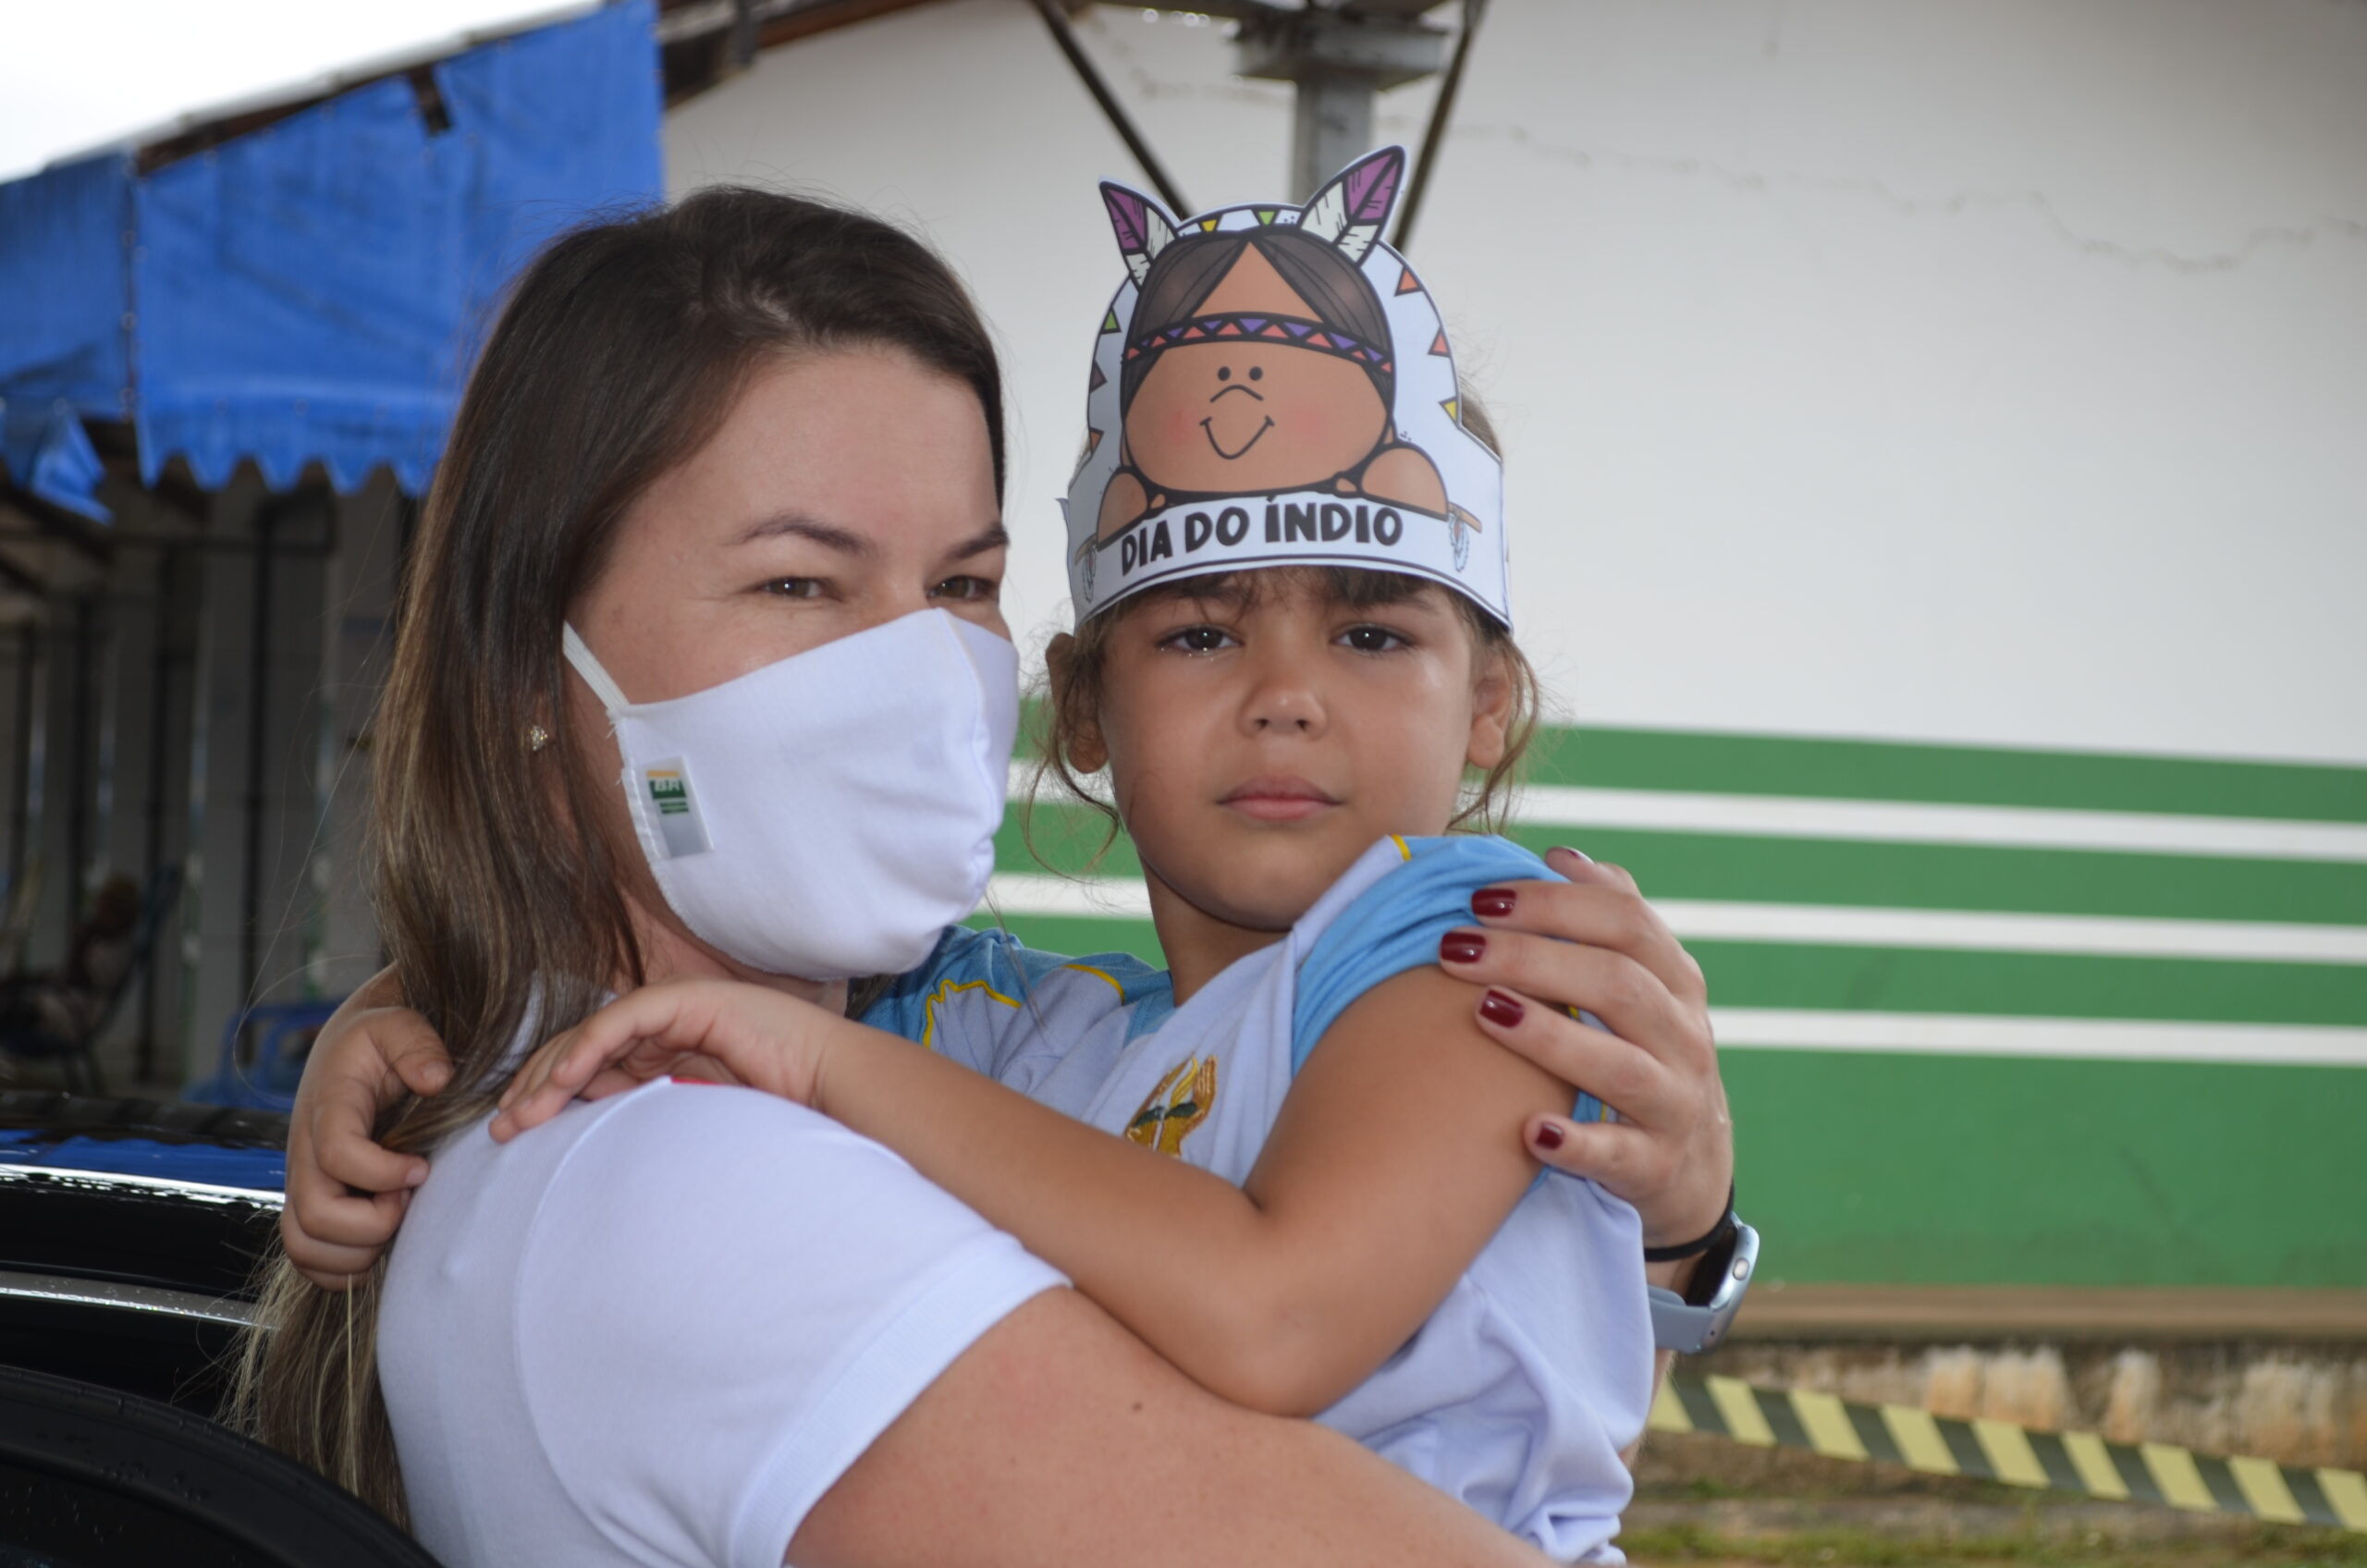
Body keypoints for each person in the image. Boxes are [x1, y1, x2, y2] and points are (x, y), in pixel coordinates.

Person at [254, 186, 1734, 1567]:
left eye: (960, 586)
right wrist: (408, 1013)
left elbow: (1276, 1311)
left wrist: (1679, 1245)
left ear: (1488, 707)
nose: (1288, 697)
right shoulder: (1016, 1043)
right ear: (1084, 709)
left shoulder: (1476, 947)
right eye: (798, 581)